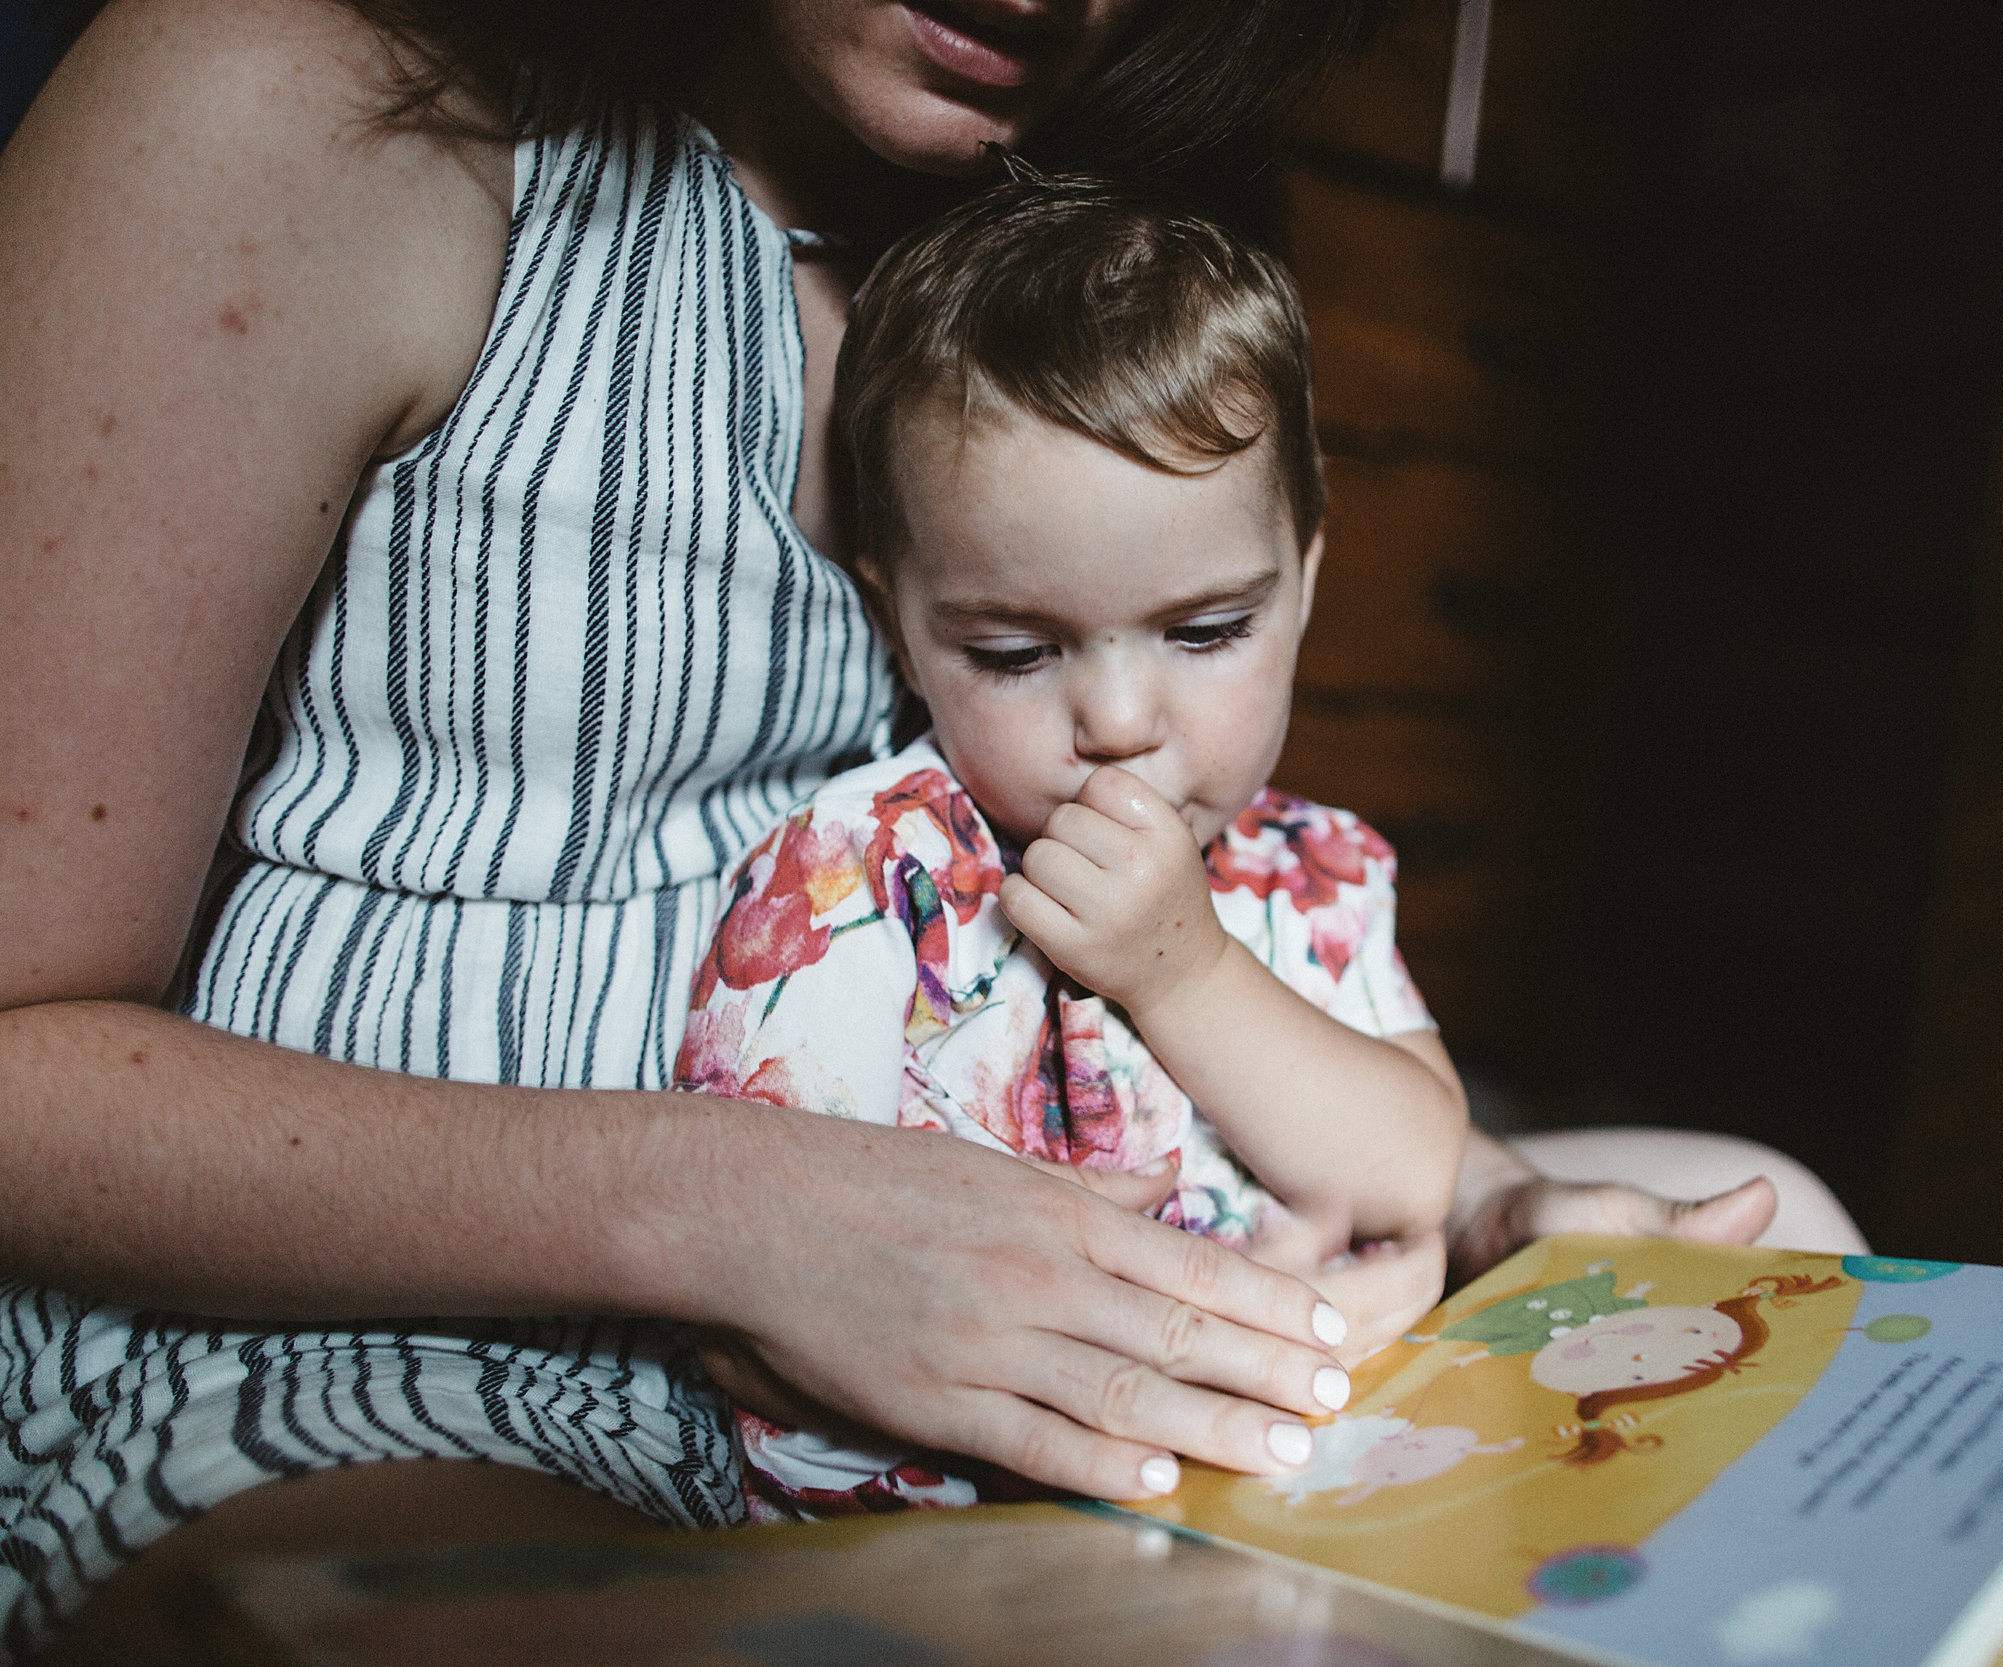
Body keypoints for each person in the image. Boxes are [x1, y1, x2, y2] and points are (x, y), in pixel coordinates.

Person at [0, 0, 1858, 1658]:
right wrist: (728, 1213)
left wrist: (1479, 1208)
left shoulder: (1073, 248)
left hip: (995, 1264)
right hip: (381, 1337)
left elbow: (1183, 951)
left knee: (1782, 1247)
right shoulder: (308, 108)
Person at [672, 175, 1468, 1514]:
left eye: (1206, 631)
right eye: (1015, 652)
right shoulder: (858, 879)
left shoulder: (1306, 872)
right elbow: (758, 1304)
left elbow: (1414, 1165)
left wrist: (1189, 972)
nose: (1117, 721)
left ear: (1306, 584)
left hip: (1283, 1487)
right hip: (955, 1540)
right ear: (903, 625)